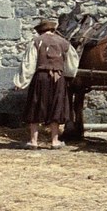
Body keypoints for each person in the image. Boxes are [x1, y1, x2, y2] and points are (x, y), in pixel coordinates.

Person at [13, 18, 79, 149]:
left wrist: (21, 82)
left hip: (41, 77)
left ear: (41, 31)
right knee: (56, 107)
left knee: (36, 106)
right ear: (53, 29)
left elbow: (29, 63)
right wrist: (67, 75)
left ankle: (33, 141)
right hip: (58, 79)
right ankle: (55, 142)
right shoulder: (64, 43)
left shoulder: (36, 42)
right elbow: (72, 62)